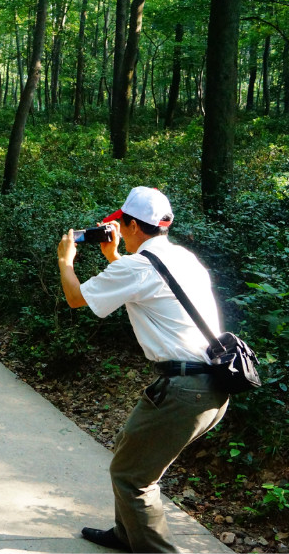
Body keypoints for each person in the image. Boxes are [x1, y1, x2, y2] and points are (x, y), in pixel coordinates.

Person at [56, 187, 229, 553]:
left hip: (185, 390)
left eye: (120, 223)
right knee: (127, 450)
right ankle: (127, 535)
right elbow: (148, 284)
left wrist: (65, 261)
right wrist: (113, 255)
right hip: (210, 384)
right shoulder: (181, 257)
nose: (117, 227)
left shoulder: (140, 266)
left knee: (133, 478)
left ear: (133, 225)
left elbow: (75, 298)